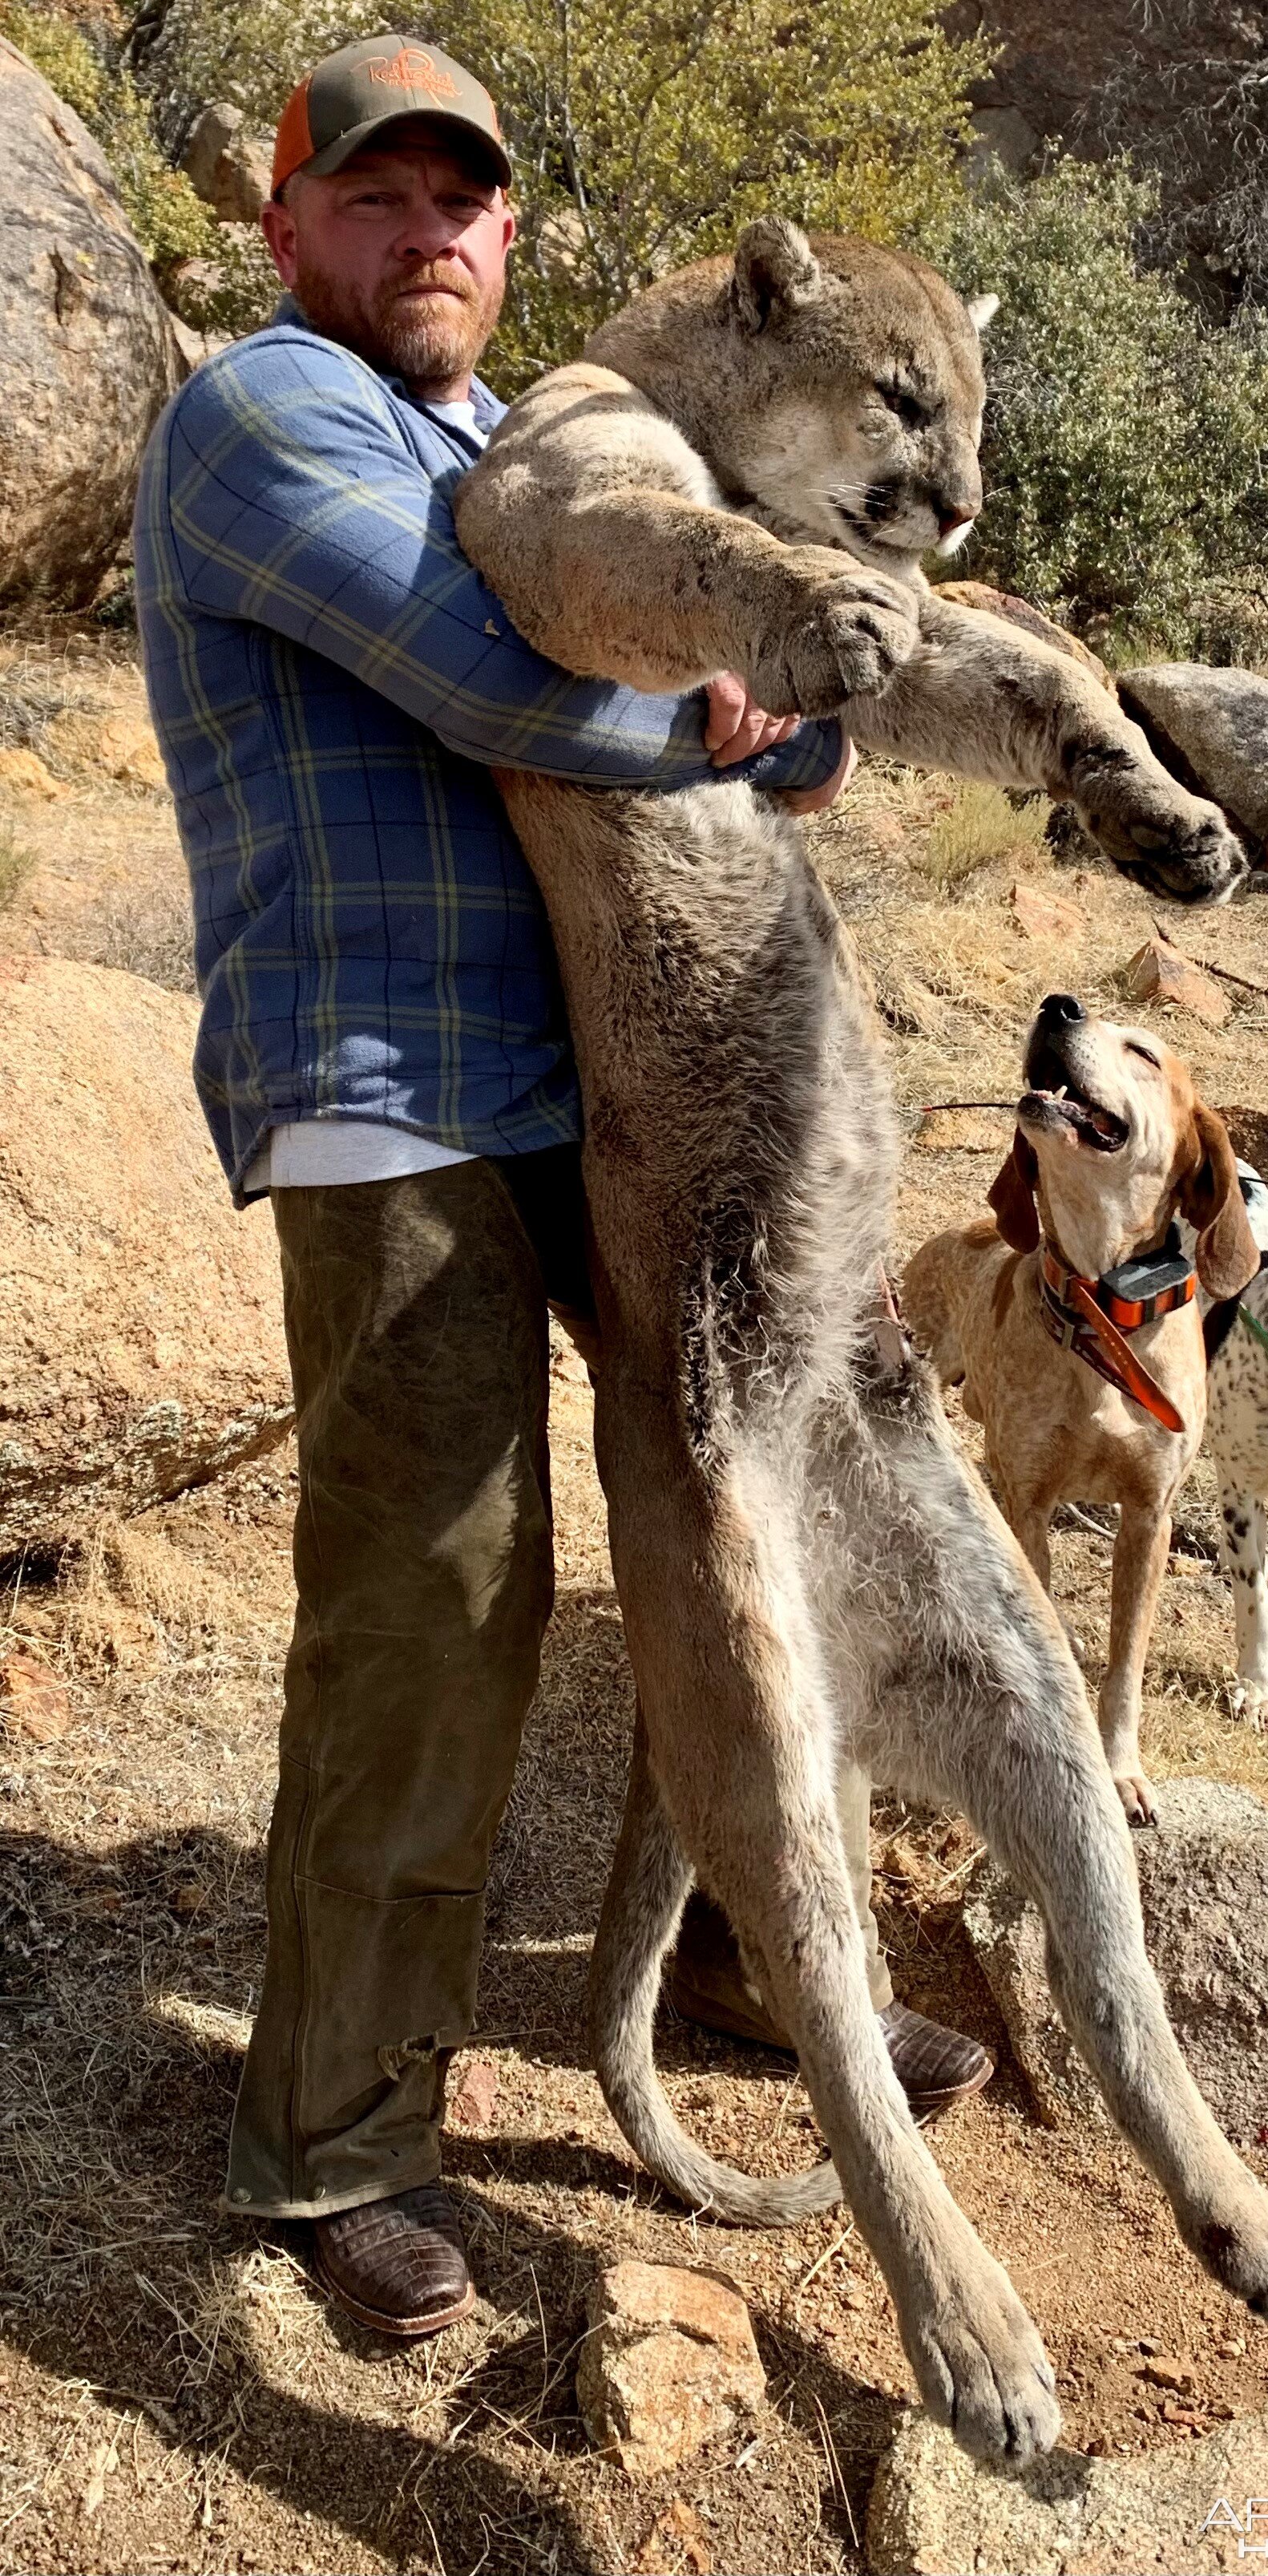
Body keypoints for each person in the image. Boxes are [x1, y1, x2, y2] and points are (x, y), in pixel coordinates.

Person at [133, 31, 993, 2344]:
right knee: (445, 1591)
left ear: (511, 239)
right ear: (291, 220)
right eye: (380, 199)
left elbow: (781, 723)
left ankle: (746, 1965)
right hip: (388, 1081)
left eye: (465, 204)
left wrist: (772, 711)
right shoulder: (262, 419)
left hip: (606, 1074)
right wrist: (748, 704)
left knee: (774, 1490)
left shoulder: (501, 442)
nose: (428, 236)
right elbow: (493, 685)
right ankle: (333, 2142)